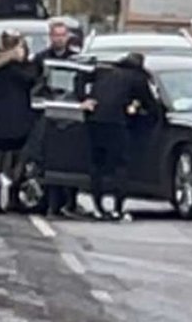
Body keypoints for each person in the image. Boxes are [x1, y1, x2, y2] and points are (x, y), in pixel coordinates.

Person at [81, 52, 154, 221]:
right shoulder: (137, 77)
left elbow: (81, 77)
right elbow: (150, 104)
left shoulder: (105, 71)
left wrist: (84, 99)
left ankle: (98, 208)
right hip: (117, 123)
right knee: (120, 165)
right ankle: (117, 209)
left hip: (95, 119)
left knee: (97, 164)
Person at [0, 31, 38, 214]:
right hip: (19, 122)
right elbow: (31, 79)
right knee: (20, 160)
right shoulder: (20, 69)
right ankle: (13, 198)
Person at [32, 20, 81, 217]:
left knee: (71, 162)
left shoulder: (76, 59)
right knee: (50, 163)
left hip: (72, 117)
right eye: (56, 35)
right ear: (50, 37)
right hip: (49, 116)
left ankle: (70, 202)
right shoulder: (41, 59)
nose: (59, 39)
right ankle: (50, 203)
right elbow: (35, 86)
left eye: (62, 35)